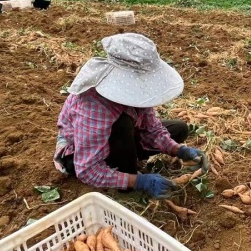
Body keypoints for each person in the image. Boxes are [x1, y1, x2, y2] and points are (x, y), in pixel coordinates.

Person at [54, 33, 208, 198]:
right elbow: (87, 170)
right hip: (83, 155)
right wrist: (139, 181)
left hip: (121, 139)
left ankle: (128, 160)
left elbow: (152, 128)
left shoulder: (139, 93)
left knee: (179, 129)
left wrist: (179, 150)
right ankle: (127, 183)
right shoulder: (93, 104)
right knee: (122, 124)